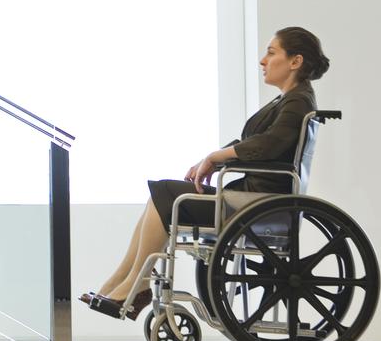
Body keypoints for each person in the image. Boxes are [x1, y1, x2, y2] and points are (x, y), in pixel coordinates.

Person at [79, 26, 330, 321]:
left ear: (295, 61)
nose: (263, 60)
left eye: (271, 53)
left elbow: (270, 144)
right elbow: (254, 144)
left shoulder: (298, 100)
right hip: (255, 199)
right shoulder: (290, 100)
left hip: (259, 203)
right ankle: (123, 282)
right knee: (162, 195)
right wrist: (211, 160)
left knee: (167, 193)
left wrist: (215, 157)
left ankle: (135, 284)